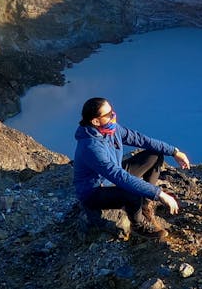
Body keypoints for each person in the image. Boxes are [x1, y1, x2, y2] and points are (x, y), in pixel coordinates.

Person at [73, 97, 191, 239]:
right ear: (95, 121)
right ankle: (138, 226)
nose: (114, 116)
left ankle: (144, 205)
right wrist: (158, 193)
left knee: (155, 155)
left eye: (112, 112)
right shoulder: (91, 147)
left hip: (113, 176)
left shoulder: (111, 129)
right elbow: (118, 176)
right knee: (132, 193)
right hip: (95, 191)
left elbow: (140, 139)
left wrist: (174, 152)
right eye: (109, 115)